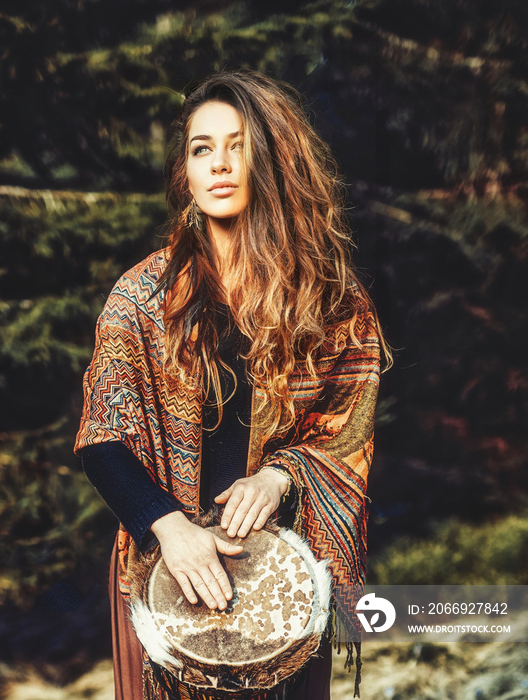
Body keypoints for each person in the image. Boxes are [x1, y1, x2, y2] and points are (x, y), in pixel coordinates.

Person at [75, 69, 388, 700]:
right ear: (185, 172)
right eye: (200, 148)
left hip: (282, 580)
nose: (218, 163)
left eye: (238, 145)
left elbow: (346, 433)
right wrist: (166, 525)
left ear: (273, 162)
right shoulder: (142, 298)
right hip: (165, 569)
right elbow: (103, 438)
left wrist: (281, 474)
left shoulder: (331, 302)